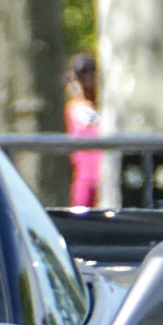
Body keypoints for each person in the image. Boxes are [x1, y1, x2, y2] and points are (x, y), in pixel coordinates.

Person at [64, 52, 104, 210]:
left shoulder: (106, 108)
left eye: (91, 72)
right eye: (81, 74)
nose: (87, 79)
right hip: (86, 180)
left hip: (105, 177)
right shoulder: (75, 107)